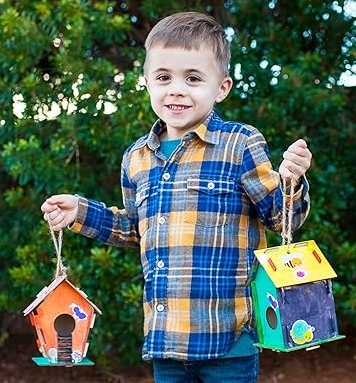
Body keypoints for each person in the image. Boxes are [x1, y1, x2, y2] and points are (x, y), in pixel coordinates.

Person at [41, 11, 312, 383]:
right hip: (165, 340)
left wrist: (291, 179)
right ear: (147, 83)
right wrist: (79, 211)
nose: (177, 89)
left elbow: (283, 220)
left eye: (194, 78)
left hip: (228, 342)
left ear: (221, 87)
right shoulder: (137, 157)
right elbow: (135, 229)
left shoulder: (239, 144)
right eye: (164, 77)